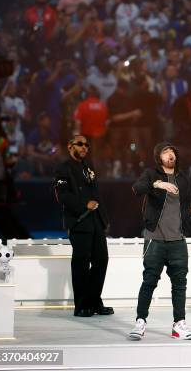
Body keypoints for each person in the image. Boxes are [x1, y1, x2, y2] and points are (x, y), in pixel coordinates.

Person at [129, 142, 191, 341]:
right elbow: (137, 188)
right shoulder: (151, 174)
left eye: (173, 152)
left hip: (178, 240)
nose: (170, 155)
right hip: (155, 239)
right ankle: (140, 322)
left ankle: (179, 325)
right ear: (159, 157)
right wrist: (157, 184)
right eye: (166, 152)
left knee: (180, 283)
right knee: (149, 281)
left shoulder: (185, 178)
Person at [53, 134, 112, 317]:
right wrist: (83, 205)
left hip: (95, 220)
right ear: (70, 146)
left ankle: (94, 301)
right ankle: (81, 305)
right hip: (79, 221)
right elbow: (61, 195)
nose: (84, 147)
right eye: (80, 144)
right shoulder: (63, 168)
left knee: (101, 260)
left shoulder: (89, 166)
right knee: (81, 263)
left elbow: (97, 194)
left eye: (87, 144)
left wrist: (104, 219)